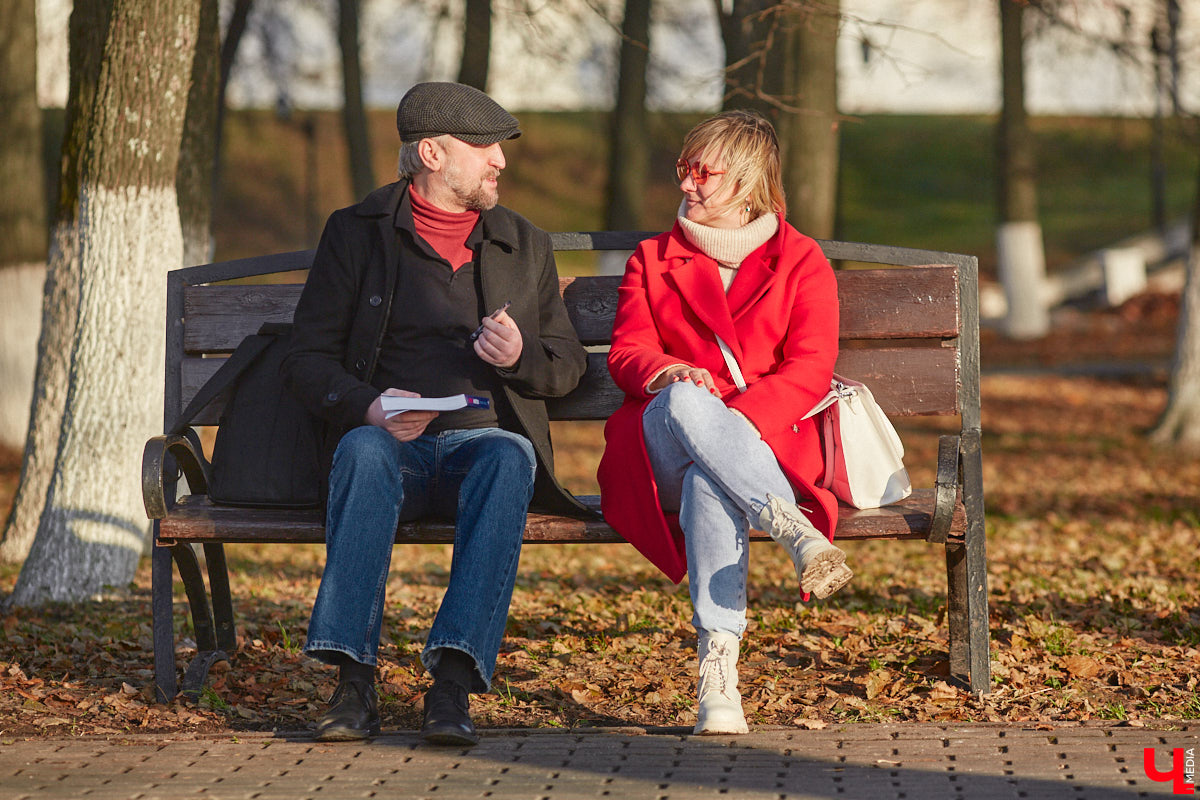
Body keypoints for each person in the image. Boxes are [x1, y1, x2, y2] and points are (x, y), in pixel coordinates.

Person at [282, 82, 588, 746]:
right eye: (482, 148)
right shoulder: (357, 234)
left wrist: (519, 354)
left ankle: (451, 685)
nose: (499, 162)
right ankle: (353, 684)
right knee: (361, 449)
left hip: (480, 448)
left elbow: (567, 365)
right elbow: (305, 359)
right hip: (389, 448)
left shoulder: (522, 243)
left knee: (512, 455)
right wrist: (367, 405)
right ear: (430, 153)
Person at [596, 110, 850, 736]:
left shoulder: (801, 259)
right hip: (666, 442)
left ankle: (720, 674)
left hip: (765, 443)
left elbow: (811, 368)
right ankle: (796, 534)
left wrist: (729, 425)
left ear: (745, 179)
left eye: (701, 173)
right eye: (684, 169)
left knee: (716, 480)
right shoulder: (653, 259)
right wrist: (667, 373)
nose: (686, 184)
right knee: (686, 402)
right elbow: (627, 352)